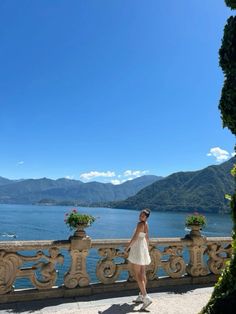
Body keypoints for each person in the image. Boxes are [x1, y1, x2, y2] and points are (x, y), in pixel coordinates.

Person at [125, 208, 152, 310]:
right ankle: (141, 296)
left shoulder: (139, 224)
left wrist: (127, 247)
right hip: (143, 248)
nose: (140, 216)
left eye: (143, 216)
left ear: (146, 217)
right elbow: (147, 238)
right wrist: (147, 249)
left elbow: (135, 237)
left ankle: (146, 297)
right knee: (143, 273)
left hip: (137, 249)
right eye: (140, 215)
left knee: (137, 274)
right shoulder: (146, 224)